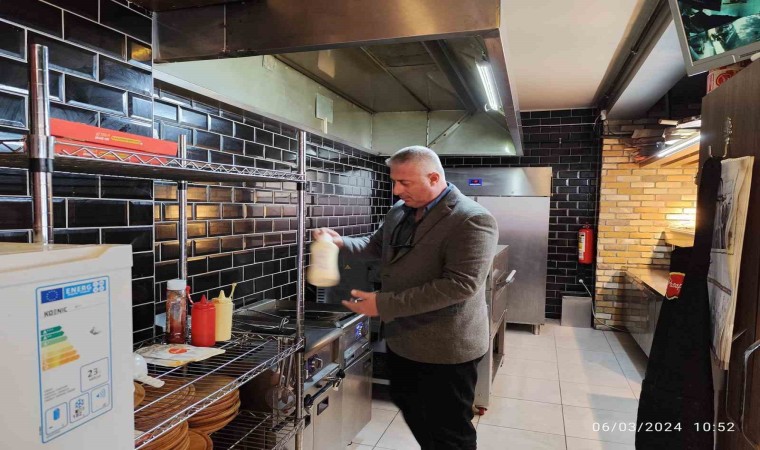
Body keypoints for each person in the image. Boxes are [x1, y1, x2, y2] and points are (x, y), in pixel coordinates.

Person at [312, 146, 498, 450]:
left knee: (448, 429)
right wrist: (340, 241)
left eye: (404, 183)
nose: (397, 191)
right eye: (394, 182)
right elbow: (375, 246)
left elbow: (460, 286)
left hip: (446, 347)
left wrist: (382, 304)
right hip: (403, 339)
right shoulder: (399, 211)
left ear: (434, 178)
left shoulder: (471, 219)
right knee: (413, 408)